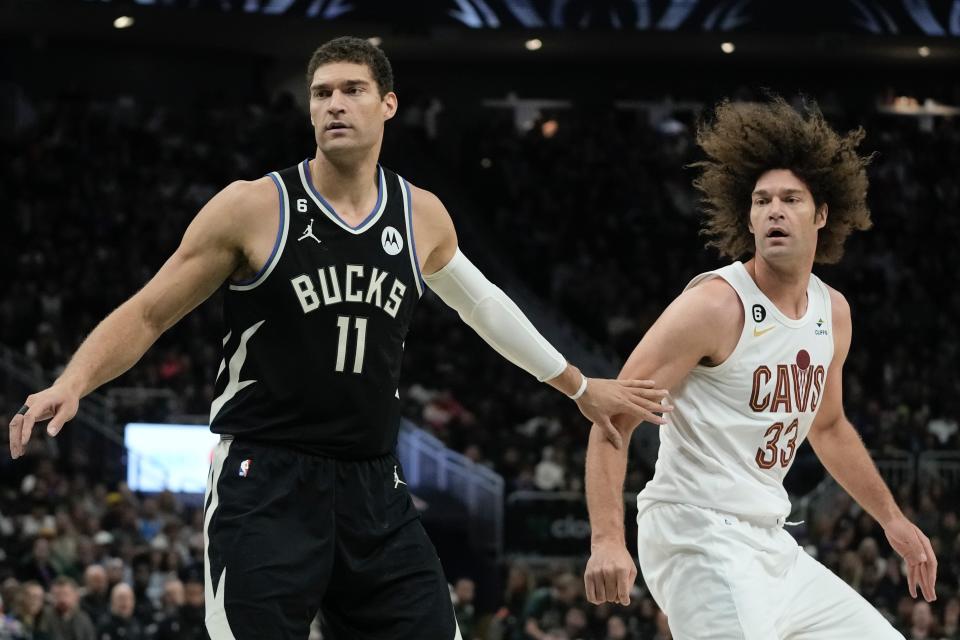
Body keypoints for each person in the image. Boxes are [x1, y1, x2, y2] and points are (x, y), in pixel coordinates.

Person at [8, 36, 668, 640]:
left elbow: (484, 306)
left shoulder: (421, 214)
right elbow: (150, 312)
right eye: (321, 92)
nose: (334, 104)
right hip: (263, 476)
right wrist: (73, 382)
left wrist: (579, 386)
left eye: (351, 90)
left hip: (373, 486)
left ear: (387, 104)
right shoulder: (255, 207)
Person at [583, 96, 938, 638]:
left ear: (821, 214)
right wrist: (607, 537)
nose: (774, 210)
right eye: (762, 200)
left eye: (791, 199)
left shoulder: (832, 311)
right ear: (747, 216)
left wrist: (892, 519)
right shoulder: (714, 305)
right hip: (695, 531)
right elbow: (613, 418)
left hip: (771, 540)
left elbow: (828, 425)